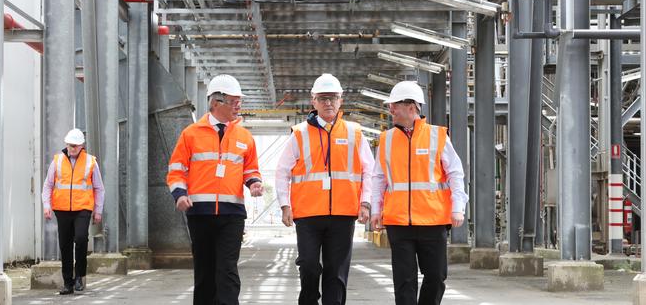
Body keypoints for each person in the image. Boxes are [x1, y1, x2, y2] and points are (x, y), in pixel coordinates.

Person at [275, 73, 375, 305]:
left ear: (341, 100)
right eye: (323, 98)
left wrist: (366, 202)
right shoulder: (299, 133)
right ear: (314, 101)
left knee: (337, 273)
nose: (328, 103)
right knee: (309, 265)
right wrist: (284, 204)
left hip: (343, 214)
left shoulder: (354, 132)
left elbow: (369, 171)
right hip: (308, 215)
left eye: (332, 98)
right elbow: (282, 171)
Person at [166, 74, 264, 305]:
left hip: (232, 215)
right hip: (200, 214)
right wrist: (180, 194)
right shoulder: (190, 134)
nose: (238, 106)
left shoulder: (245, 137)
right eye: (233, 101)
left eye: (240, 101)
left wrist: (255, 184)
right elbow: (176, 170)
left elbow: (251, 169)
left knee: (228, 270)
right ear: (215, 102)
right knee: (205, 271)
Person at [370, 81, 468, 305]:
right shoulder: (386, 140)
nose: (390, 110)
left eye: (394, 105)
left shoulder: (438, 136)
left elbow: (455, 172)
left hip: (433, 221)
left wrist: (458, 207)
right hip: (399, 222)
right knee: (404, 280)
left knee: (436, 277)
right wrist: (376, 209)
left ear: (412, 107)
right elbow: (378, 178)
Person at [42, 128, 105, 295]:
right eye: (69, 145)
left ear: (81, 146)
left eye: (75, 146)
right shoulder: (57, 161)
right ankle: (68, 283)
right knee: (65, 245)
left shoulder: (91, 162)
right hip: (61, 209)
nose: (72, 148)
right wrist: (46, 205)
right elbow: (48, 185)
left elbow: (99, 188)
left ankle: (79, 276)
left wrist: (98, 210)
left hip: (83, 208)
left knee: (81, 238)